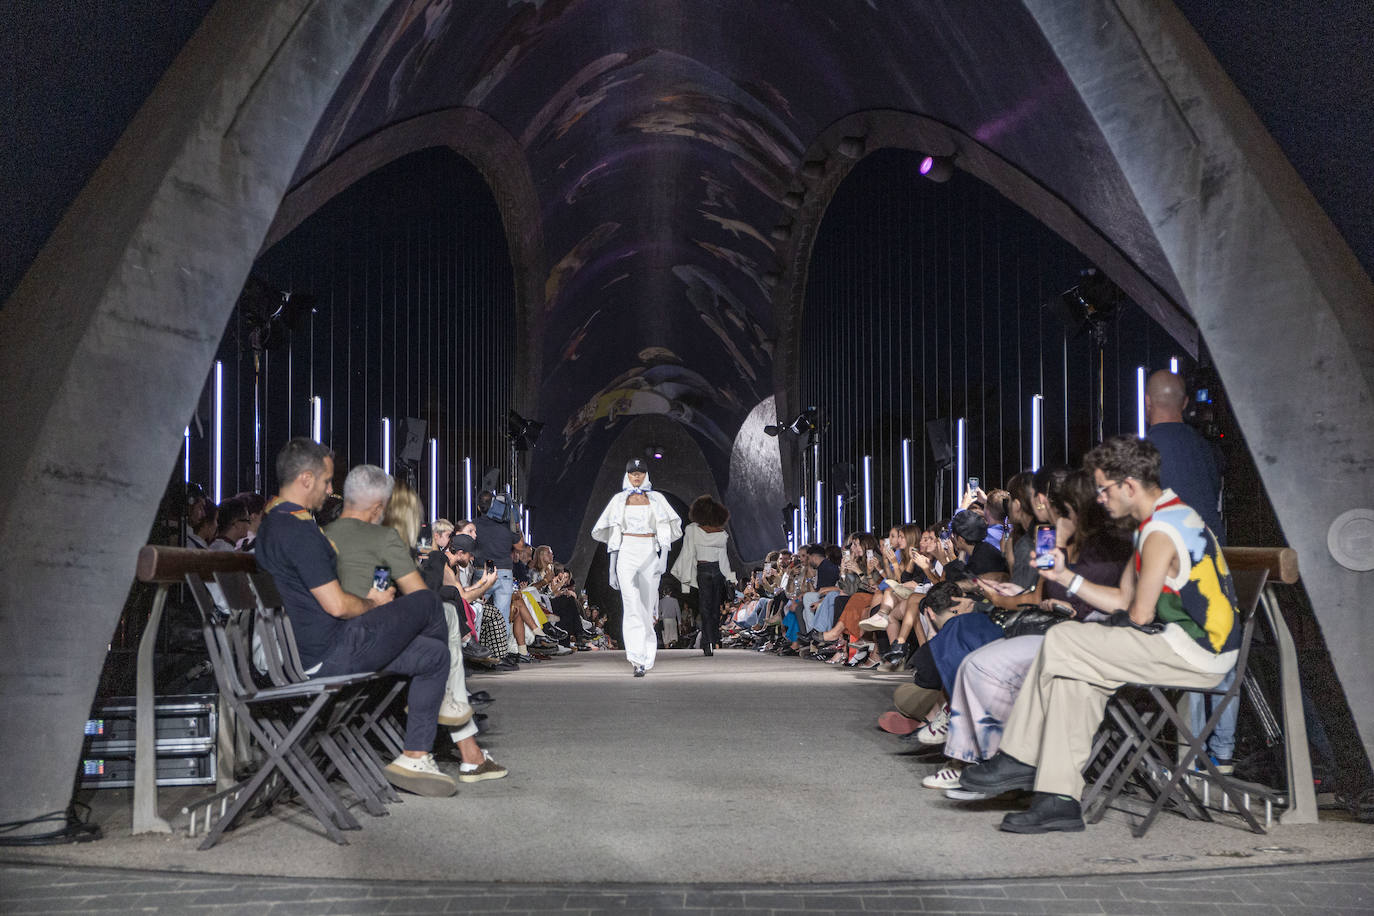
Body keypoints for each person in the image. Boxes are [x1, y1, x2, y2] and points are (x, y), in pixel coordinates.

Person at [958, 436, 1239, 834]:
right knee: (1073, 678)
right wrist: (1064, 577)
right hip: (1177, 640)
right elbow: (1122, 598)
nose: (1100, 499)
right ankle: (1058, 799)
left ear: (1130, 486)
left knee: (1063, 640)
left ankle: (1019, 756)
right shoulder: (1160, 518)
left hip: (1198, 651)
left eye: (1105, 489)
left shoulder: (1161, 530)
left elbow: (1138, 614)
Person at [254, 438, 459, 798]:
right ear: (305, 479)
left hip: (309, 649)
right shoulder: (298, 530)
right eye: (326, 481)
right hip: (326, 653)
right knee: (429, 602)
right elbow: (337, 605)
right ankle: (441, 701)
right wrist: (373, 603)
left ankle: (415, 755)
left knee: (434, 656)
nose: (329, 490)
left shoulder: (274, 523)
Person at [325, 466, 506, 783]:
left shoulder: (326, 535)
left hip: (334, 641)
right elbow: (420, 598)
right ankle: (458, 737)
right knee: (441, 616)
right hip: (358, 645)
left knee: (441, 625)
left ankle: (455, 736)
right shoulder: (384, 541)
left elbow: (381, 590)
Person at [1145, 369, 1235, 771]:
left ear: (1147, 403)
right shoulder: (1208, 451)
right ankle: (1224, 751)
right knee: (1222, 652)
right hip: (1218, 563)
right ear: (1184, 404)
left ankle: (1191, 755)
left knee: (1186, 651)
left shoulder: (1141, 453)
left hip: (1171, 568)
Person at [590, 458, 683, 677]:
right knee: (631, 605)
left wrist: (664, 556)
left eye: (640, 472)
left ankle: (647, 655)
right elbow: (615, 534)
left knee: (647, 606)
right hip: (627, 551)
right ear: (628, 475)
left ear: (646, 475)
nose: (637, 476)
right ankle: (636, 659)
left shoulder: (656, 499)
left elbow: (664, 528)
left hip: (649, 550)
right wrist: (612, 568)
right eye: (633, 473)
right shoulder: (619, 500)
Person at [671, 494, 735, 656]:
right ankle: (713, 638)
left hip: (703, 569)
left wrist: (685, 583)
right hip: (717, 571)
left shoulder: (692, 530)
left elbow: (687, 554)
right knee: (715, 607)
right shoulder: (721, 533)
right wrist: (731, 577)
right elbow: (724, 559)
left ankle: (707, 642)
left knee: (705, 607)